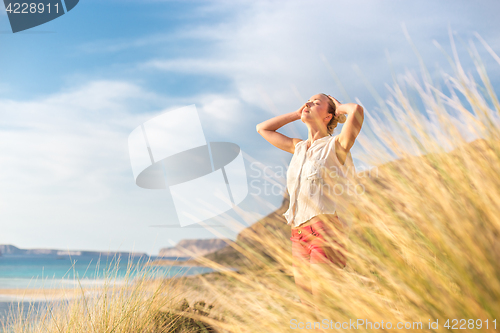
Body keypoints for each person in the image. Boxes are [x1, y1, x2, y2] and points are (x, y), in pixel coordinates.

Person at [256, 93, 364, 309]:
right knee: (308, 308)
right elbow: (262, 128)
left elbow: (357, 111)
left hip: (326, 233)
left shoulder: (336, 146)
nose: (308, 103)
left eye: (316, 103)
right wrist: (298, 114)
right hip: (298, 236)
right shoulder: (298, 147)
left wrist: (340, 107)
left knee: (324, 306)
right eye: (308, 101)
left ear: (328, 116)